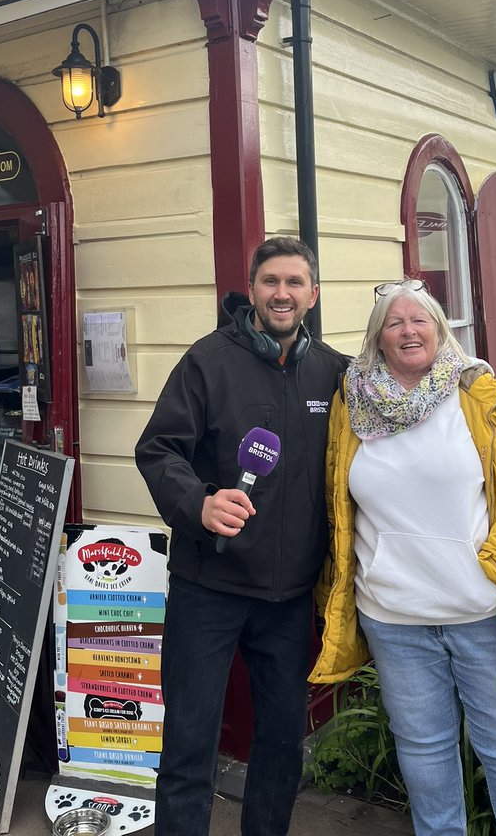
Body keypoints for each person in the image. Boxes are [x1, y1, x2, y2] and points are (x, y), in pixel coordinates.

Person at [310, 280, 496, 836]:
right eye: (394, 322)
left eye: (420, 320)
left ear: (439, 330)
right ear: (377, 338)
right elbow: (336, 501)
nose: (408, 330)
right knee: (425, 755)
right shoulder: (349, 407)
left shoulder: (482, 398)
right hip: (394, 621)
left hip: (485, 615)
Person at [135, 237, 348, 836]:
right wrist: (198, 503)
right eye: (271, 282)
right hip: (210, 586)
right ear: (251, 289)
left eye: (295, 283)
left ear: (313, 293)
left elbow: (397, 404)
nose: (282, 293)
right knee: (189, 743)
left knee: (281, 745)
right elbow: (158, 449)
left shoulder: (333, 372)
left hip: (289, 598)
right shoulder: (207, 361)